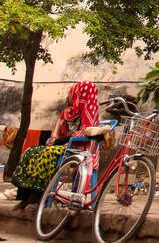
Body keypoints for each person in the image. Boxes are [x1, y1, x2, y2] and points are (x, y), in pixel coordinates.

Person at [10, 80, 102, 209]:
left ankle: (36, 198)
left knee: (46, 157)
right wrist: (53, 141)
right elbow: (57, 133)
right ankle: (25, 197)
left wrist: (60, 141)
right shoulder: (67, 113)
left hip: (81, 150)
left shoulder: (91, 112)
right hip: (64, 146)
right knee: (31, 151)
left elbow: (85, 133)